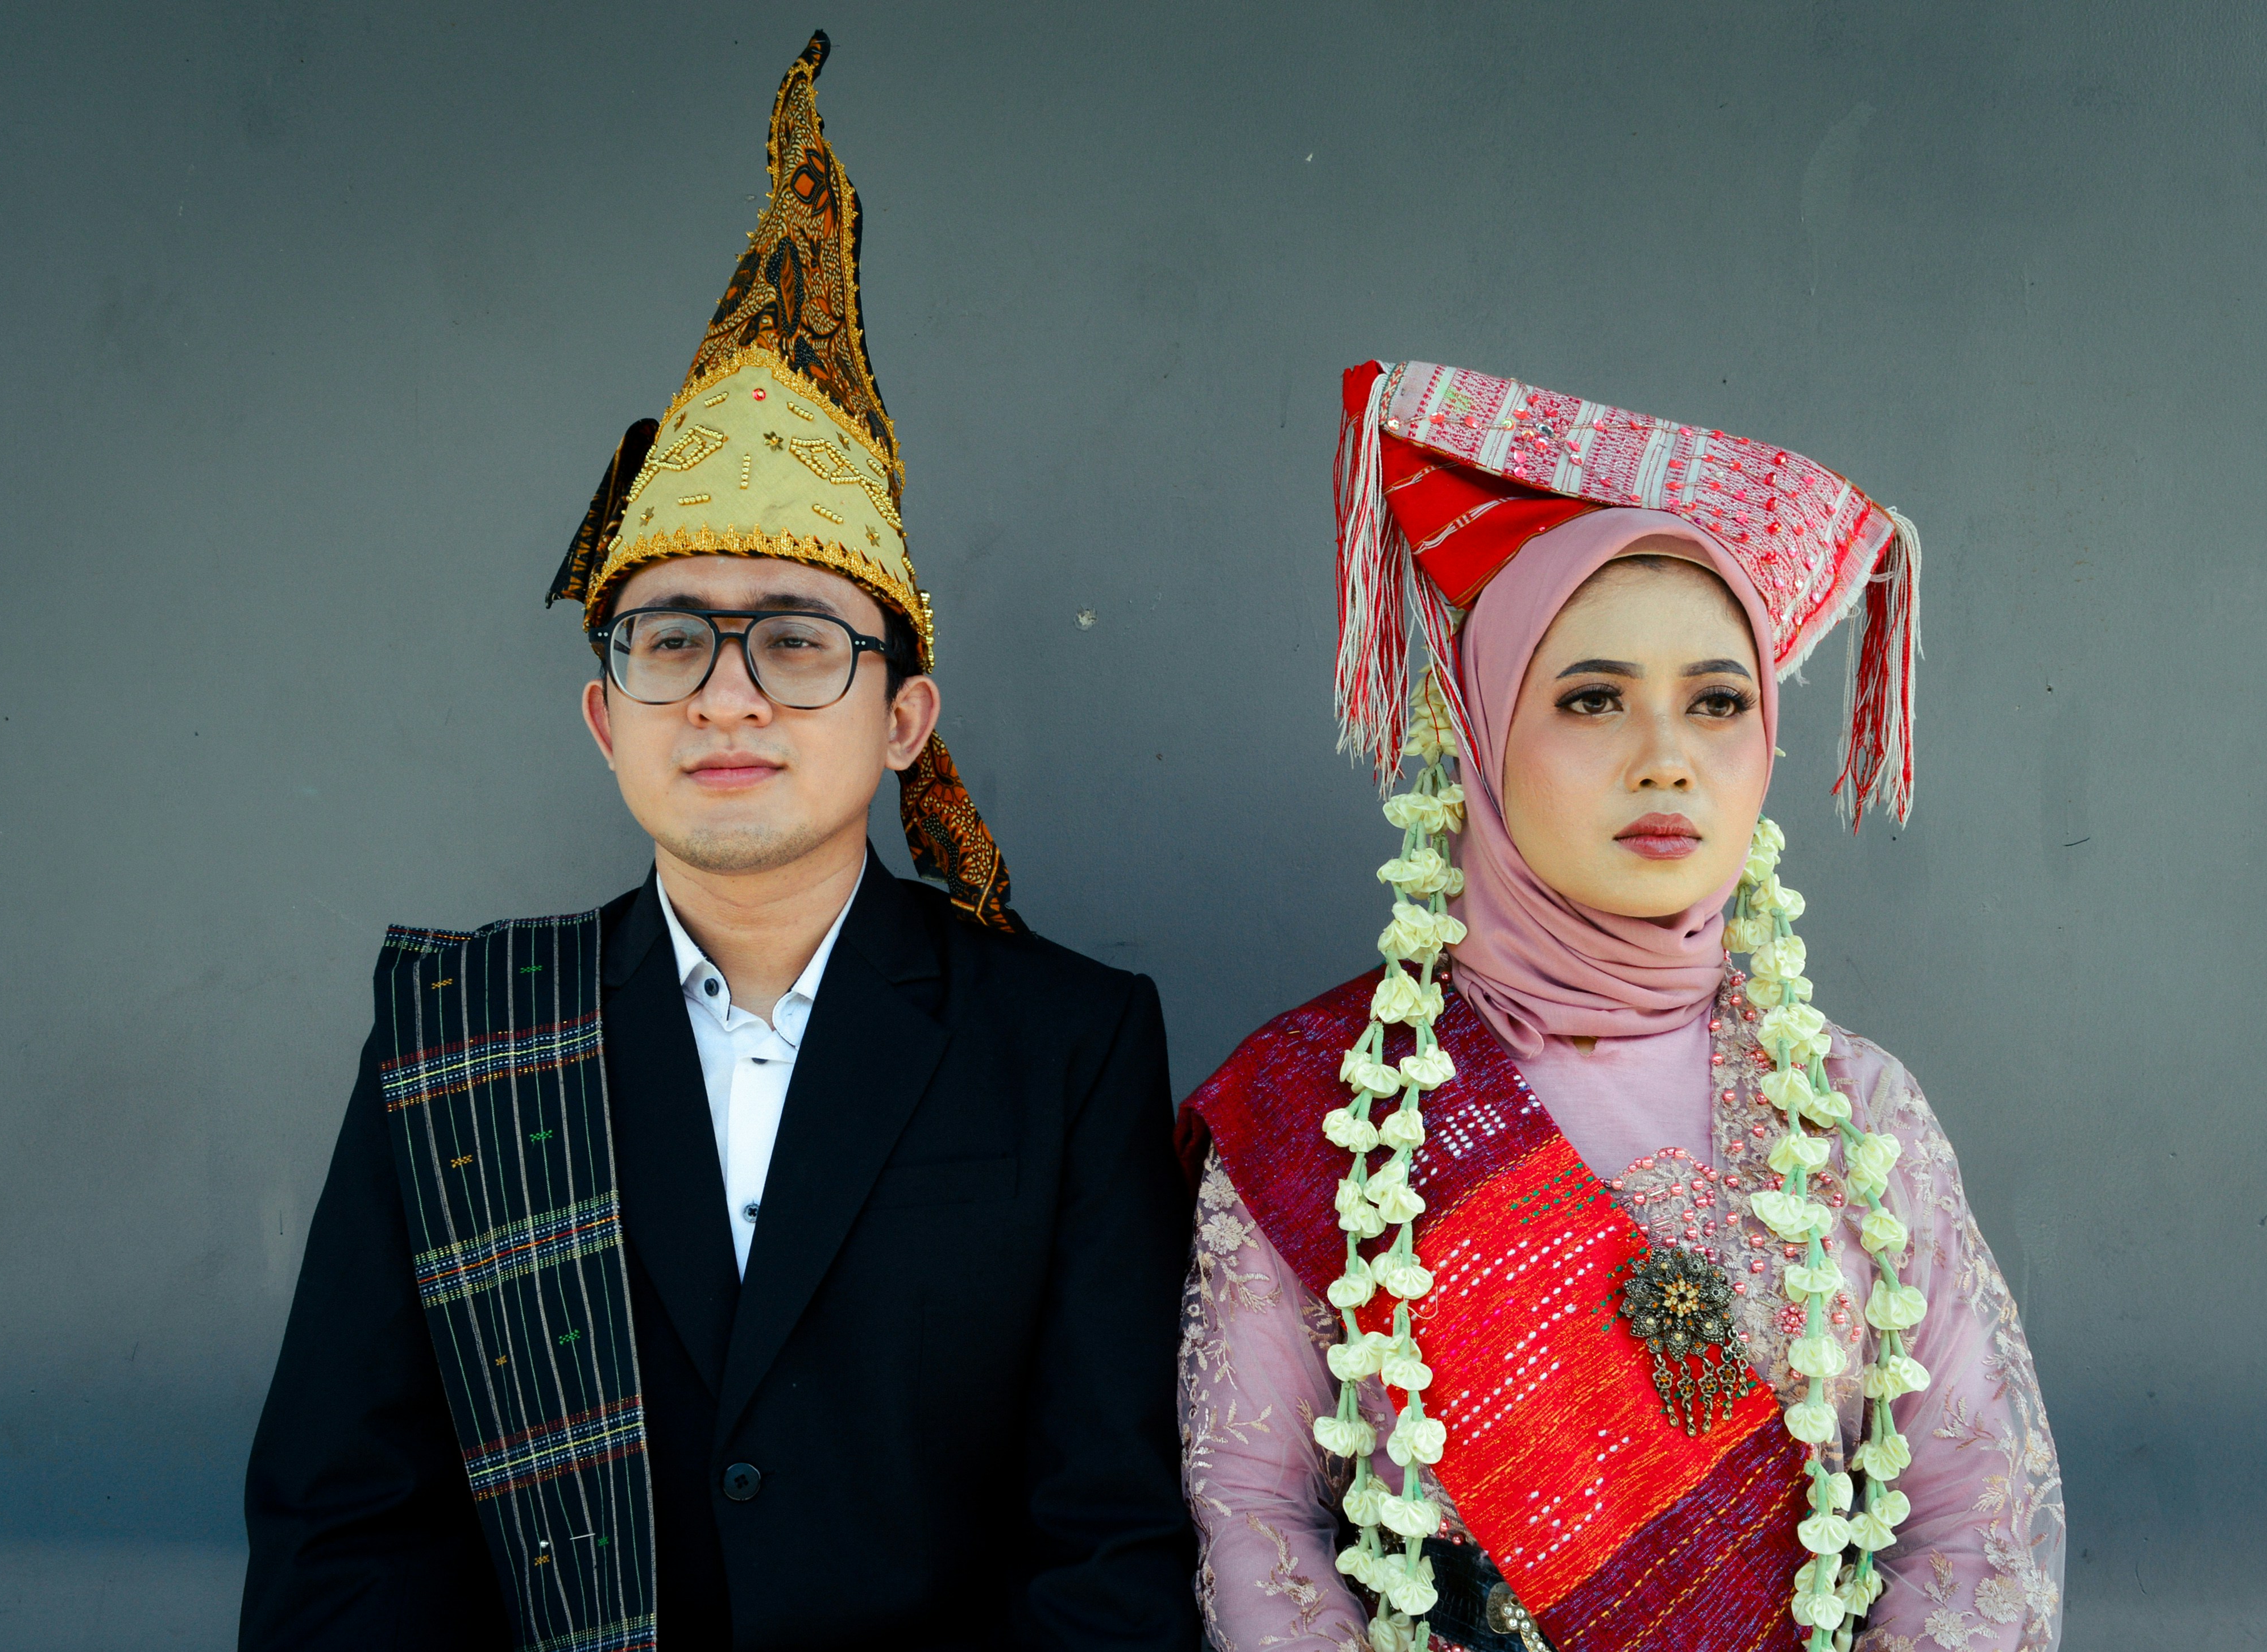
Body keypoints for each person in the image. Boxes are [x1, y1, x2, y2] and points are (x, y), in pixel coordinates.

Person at [241, 35, 1199, 1651]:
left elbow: (1107, 1542)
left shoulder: (1064, 1048)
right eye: (672, 638)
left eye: (799, 640)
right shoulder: (462, 1042)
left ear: (904, 720)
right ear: (605, 718)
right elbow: (348, 1530)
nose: (729, 694)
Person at [1176, 361, 2062, 1651]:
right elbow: (1252, 1518)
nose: (1666, 757)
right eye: (1592, 699)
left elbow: (1978, 1529)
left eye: (1717, 702)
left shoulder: (1856, 1114)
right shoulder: (1328, 1111)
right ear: (1479, 733)